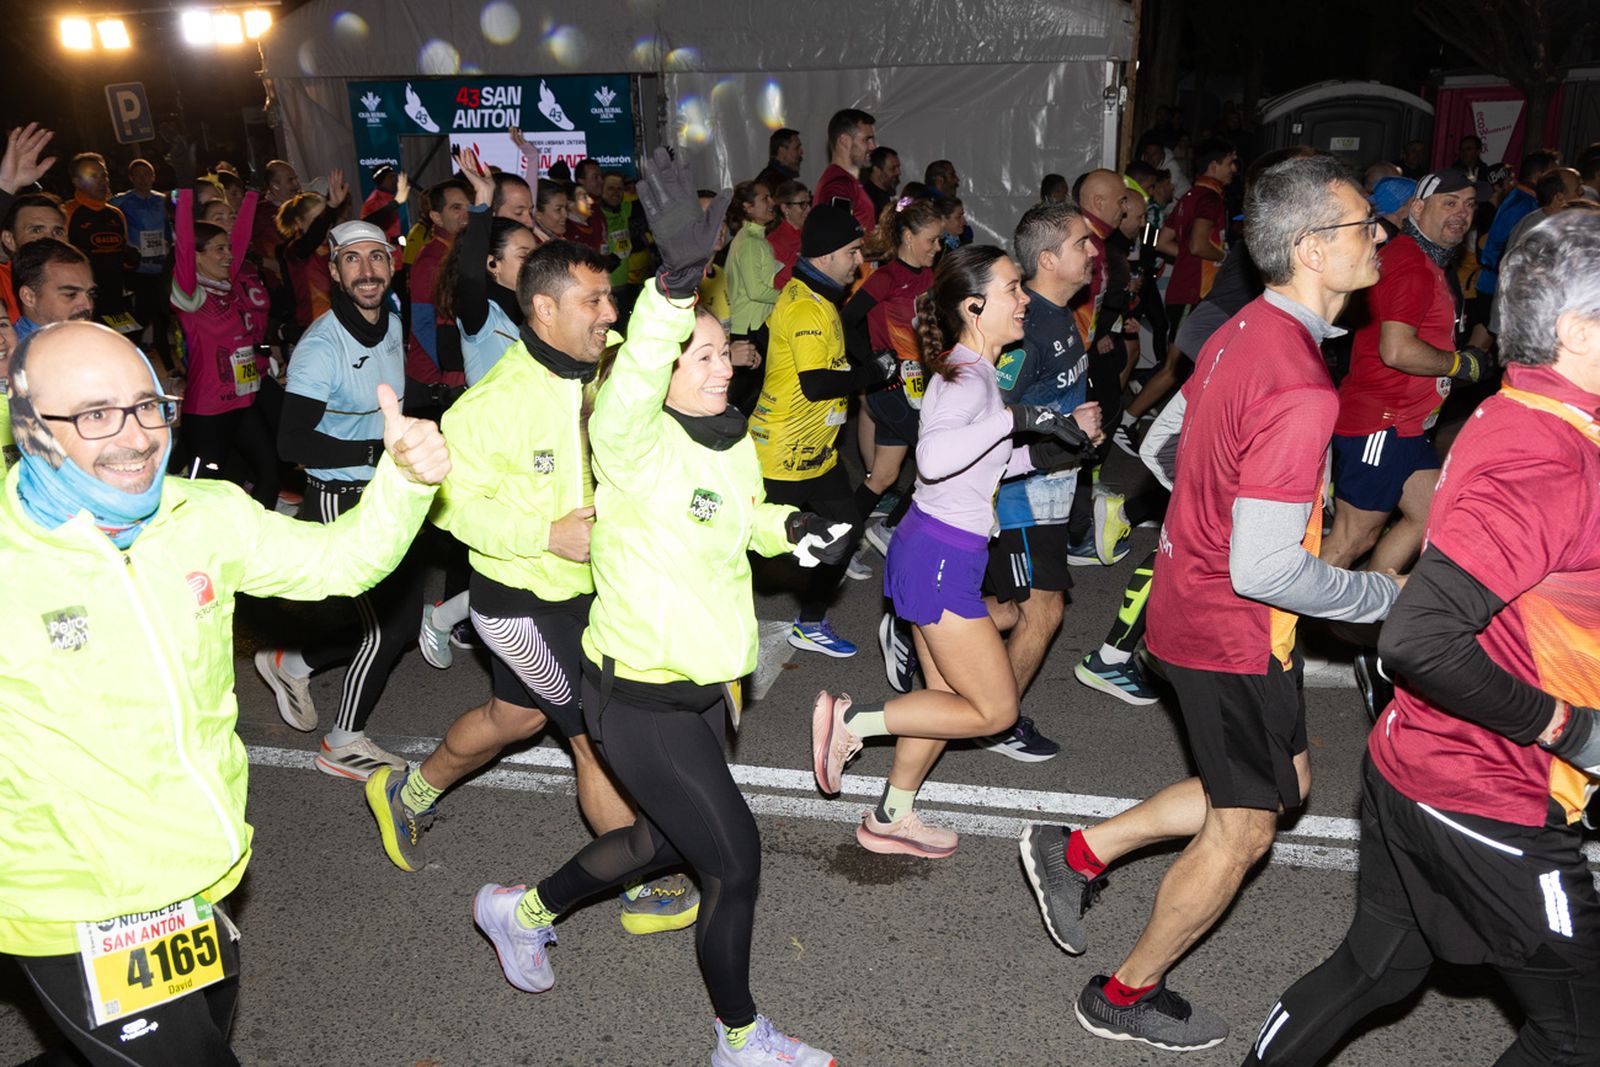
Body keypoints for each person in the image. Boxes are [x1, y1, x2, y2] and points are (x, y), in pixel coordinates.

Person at [1019, 155, 1402, 1050]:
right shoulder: (1302, 383)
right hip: (1229, 627)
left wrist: (1212, 513)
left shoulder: (1239, 327)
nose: (1378, 236)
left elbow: (1166, 445)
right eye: (1361, 224)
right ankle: (1123, 992)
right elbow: (1268, 568)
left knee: (1291, 783)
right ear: (1311, 248)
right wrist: (1376, 593)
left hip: (1197, 601)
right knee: (1246, 831)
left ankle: (1076, 851)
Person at [470, 148, 839, 1067]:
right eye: (706, 357)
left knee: (651, 843)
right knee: (733, 860)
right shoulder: (630, 437)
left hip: (707, 690)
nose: (727, 368)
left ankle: (519, 912)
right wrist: (674, 289)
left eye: (725, 353)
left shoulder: (725, 441)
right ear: (666, 368)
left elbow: (745, 514)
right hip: (639, 699)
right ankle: (741, 1039)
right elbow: (631, 375)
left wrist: (793, 528)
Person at [0, 319, 447, 1067]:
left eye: (149, 405)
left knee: (185, 1034)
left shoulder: (201, 513)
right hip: (75, 903)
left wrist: (404, 480)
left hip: (202, 871)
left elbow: (338, 562)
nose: (138, 436)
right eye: (95, 414)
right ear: (30, 429)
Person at [1244, 210, 1600, 1067]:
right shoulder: (1543, 455)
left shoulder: (1530, 409)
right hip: (1485, 790)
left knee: (1381, 966)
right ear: (1577, 330)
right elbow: (1417, 638)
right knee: (1581, 1035)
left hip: (1419, 767)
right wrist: (1571, 728)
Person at [811, 242, 1099, 856]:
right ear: (974, 306)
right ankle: (853, 722)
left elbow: (977, 462)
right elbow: (935, 458)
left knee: (942, 701)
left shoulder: (976, 371)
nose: (1024, 300)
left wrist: (1051, 447)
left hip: (939, 550)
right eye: (1012, 290)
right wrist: (1020, 416)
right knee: (993, 712)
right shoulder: (969, 378)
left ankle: (892, 815)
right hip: (940, 557)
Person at [255, 220, 421, 780]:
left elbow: (397, 396)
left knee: (395, 617)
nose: (368, 270)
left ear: (390, 266)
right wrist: (378, 448)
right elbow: (292, 441)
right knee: (388, 628)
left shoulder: (393, 324)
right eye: (353, 260)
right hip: (340, 495)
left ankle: (290, 662)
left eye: (377, 257)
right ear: (334, 271)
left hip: (385, 491)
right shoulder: (321, 347)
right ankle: (342, 743)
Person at [981, 200, 1104, 758]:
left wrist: (1079, 434)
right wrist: (1064, 427)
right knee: (1043, 609)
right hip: (1021, 494)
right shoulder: (1028, 329)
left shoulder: (1058, 314)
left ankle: (922, 632)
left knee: (1007, 607)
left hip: (1051, 488)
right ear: (1050, 259)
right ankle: (997, 721)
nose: (1094, 251)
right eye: (1083, 243)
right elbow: (990, 417)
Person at [1323, 170, 1485, 577]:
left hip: (1409, 426)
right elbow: (1396, 350)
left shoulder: (1424, 262)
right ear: (1417, 208)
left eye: (1468, 205)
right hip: (1383, 422)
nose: (1461, 214)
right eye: (1449, 203)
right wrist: (1460, 364)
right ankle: (1274, 634)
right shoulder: (1411, 263)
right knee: (1351, 539)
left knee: (1429, 511)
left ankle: (1369, 614)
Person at [750, 205, 889, 658]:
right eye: (852, 252)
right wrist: (873, 372)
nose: (858, 262)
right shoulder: (807, 305)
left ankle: (809, 624)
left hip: (818, 453)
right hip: (783, 455)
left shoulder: (819, 295)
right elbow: (817, 383)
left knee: (844, 534)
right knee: (742, 545)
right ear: (827, 256)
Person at [842, 197, 943, 587]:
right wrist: (871, 362)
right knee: (939, 465)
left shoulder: (929, 277)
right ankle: (892, 527)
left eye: (939, 241)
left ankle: (839, 542)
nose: (937, 247)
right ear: (907, 236)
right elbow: (847, 319)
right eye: (931, 240)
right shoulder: (885, 278)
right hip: (891, 388)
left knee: (883, 475)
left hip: (915, 388)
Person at [169, 176, 277, 509]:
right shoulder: (190, 295)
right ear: (198, 257)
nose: (230, 255)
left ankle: (258, 542)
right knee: (200, 495)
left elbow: (242, 238)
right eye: (219, 249)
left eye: (228, 247)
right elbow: (185, 246)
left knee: (270, 472)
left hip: (242, 404)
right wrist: (184, 188)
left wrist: (252, 195)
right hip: (208, 411)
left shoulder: (226, 285)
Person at [404, 178, 472, 417]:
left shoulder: (461, 251)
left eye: (468, 205)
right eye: (456, 207)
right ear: (436, 217)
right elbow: (423, 323)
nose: (467, 213)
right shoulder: (431, 260)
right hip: (433, 381)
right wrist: (448, 371)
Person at [1159, 137, 1238, 334]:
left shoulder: (1190, 195)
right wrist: (1226, 258)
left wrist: (1188, 258)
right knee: (1177, 363)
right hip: (1194, 293)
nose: (1234, 169)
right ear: (1213, 165)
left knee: (1184, 360)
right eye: (1230, 163)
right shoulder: (1210, 198)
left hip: (1181, 289)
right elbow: (1198, 245)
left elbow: (1161, 242)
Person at [62, 152, 135, 329]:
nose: (103, 181)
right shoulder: (66, 213)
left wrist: (131, 260)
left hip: (116, 300)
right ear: (76, 182)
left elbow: (123, 256)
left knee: (124, 346)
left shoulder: (116, 214)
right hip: (84, 304)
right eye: (93, 176)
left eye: (104, 175)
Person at [725, 180, 780, 414]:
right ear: (748, 207)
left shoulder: (755, 239)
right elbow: (756, 291)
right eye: (764, 199)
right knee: (743, 398)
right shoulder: (749, 241)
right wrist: (787, 296)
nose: (772, 203)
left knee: (751, 395)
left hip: (753, 327)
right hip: (749, 330)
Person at [1478, 149, 1559, 302]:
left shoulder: (1527, 200)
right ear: (1539, 175)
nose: (1557, 181)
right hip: (1498, 286)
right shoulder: (1521, 203)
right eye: (1553, 174)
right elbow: (1498, 246)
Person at [112, 159, 172, 366]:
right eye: (137, 174)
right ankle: (129, 355)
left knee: (163, 315)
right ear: (131, 178)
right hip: (139, 269)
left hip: (162, 267)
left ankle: (167, 364)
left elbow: (174, 226)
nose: (143, 178)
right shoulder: (121, 201)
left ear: (153, 177)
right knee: (142, 315)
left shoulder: (163, 200)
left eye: (147, 174)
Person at [13, 239, 95, 341]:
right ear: (29, 297)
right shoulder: (13, 352)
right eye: (70, 294)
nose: (88, 305)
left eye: (90, 294)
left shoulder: (89, 339)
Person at [813, 108, 878, 233]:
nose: (873, 146)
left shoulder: (845, 181)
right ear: (844, 141)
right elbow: (838, 236)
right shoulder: (839, 183)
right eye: (866, 140)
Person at [768, 179, 809, 288]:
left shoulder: (812, 231)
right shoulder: (775, 242)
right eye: (802, 205)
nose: (808, 209)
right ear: (785, 208)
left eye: (809, 203)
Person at [755, 127, 804, 193]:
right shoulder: (772, 182)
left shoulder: (777, 179)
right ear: (782, 151)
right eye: (796, 148)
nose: (801, 151)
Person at [862, 146, 901, 218]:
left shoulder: (885, 195)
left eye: (898, 168)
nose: (898, 172)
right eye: (893, 169)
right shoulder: (866, 200)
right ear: (877, 170)